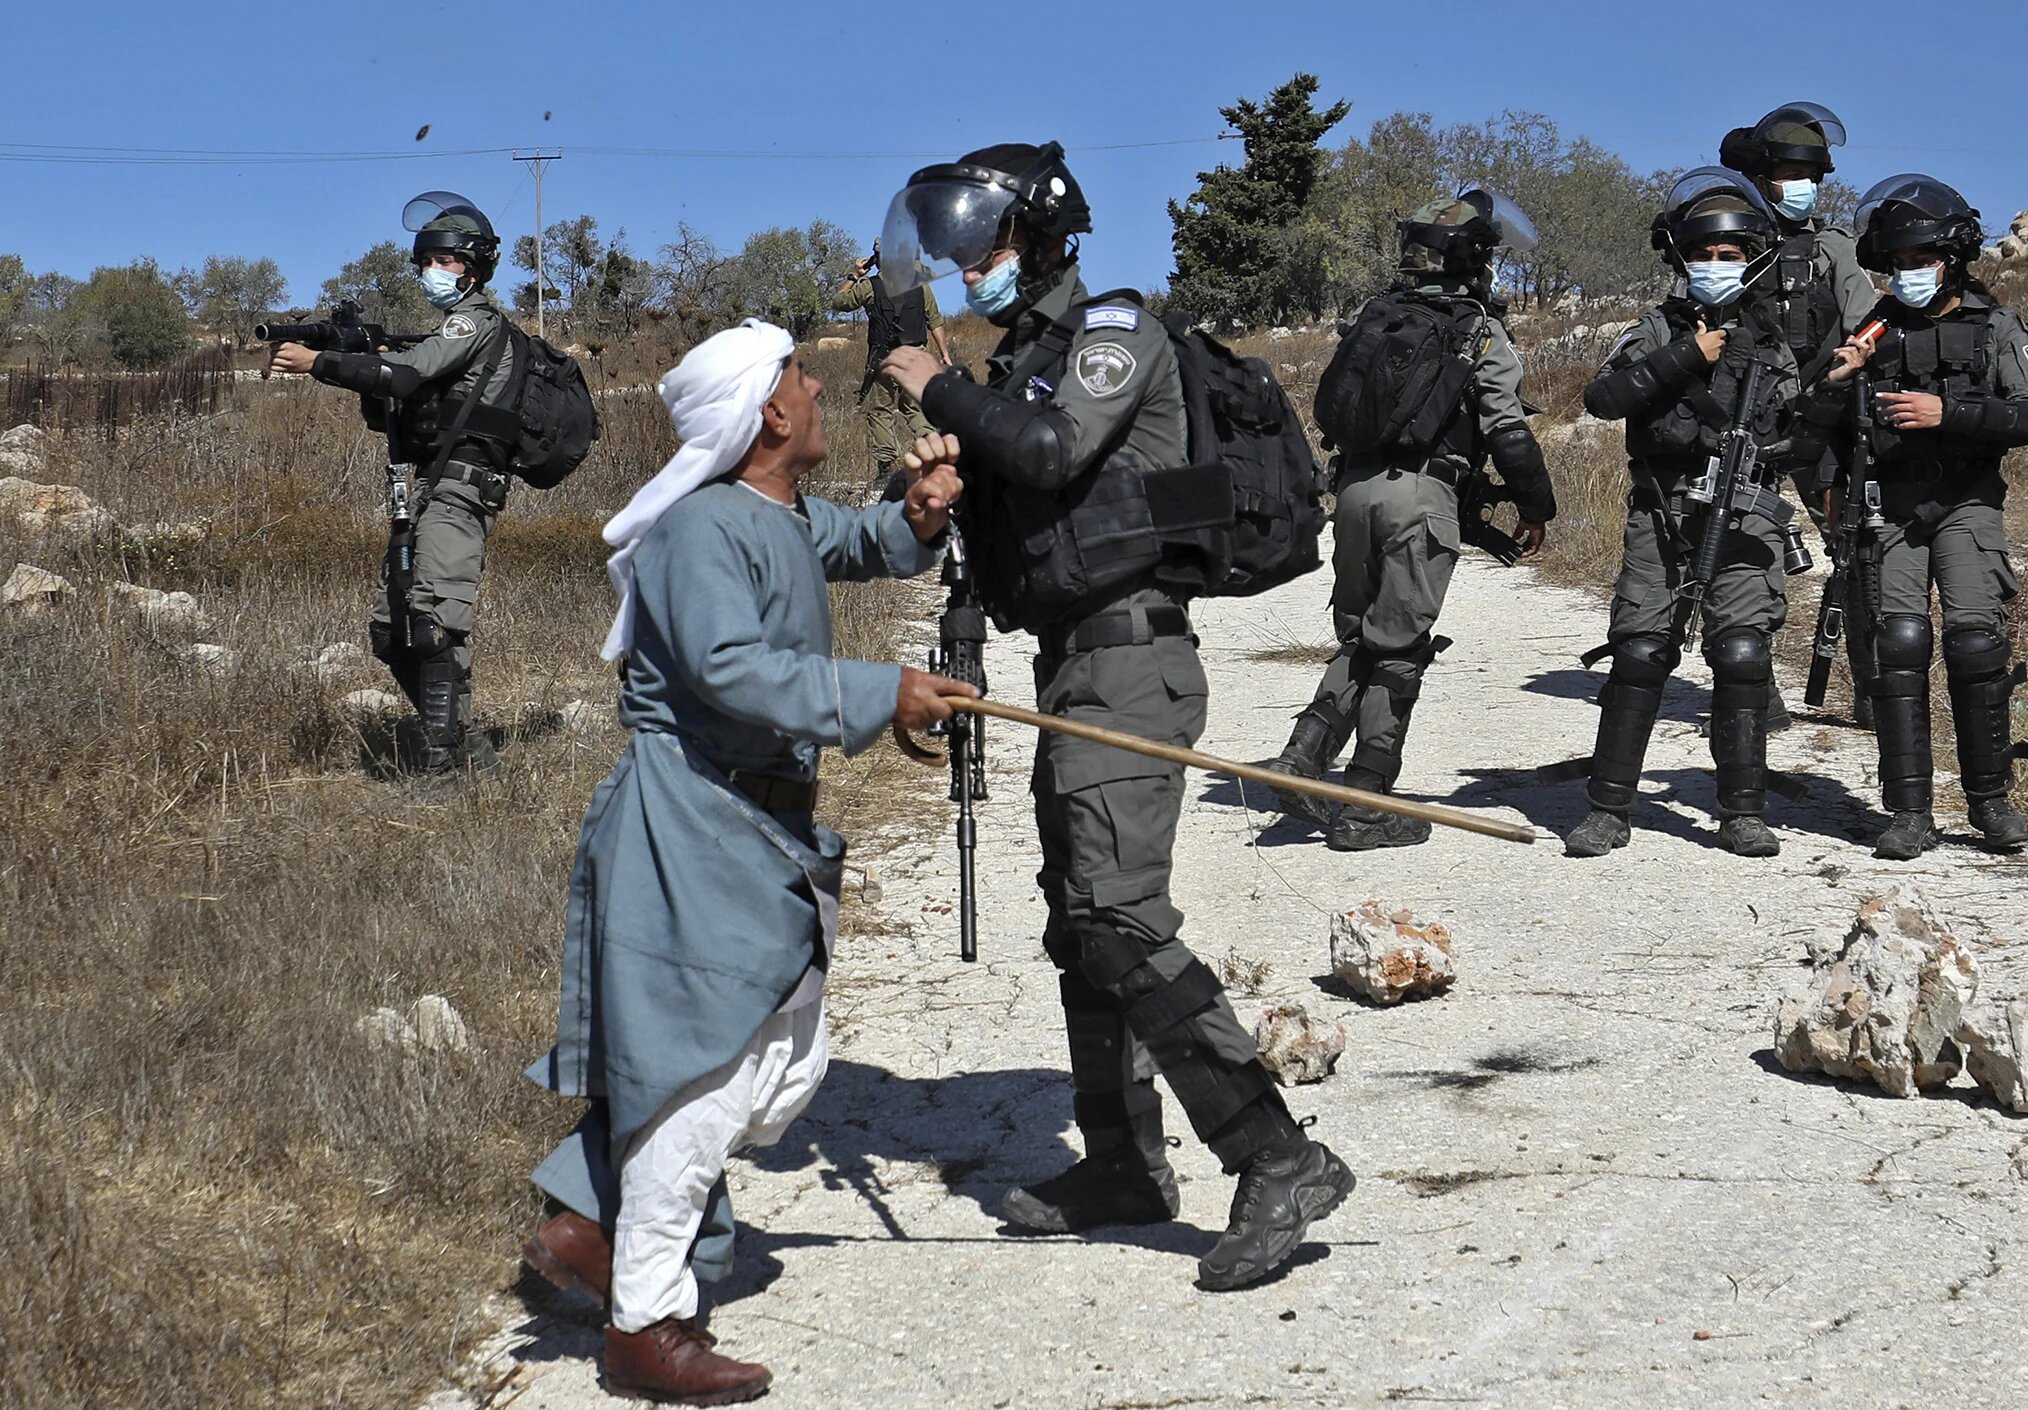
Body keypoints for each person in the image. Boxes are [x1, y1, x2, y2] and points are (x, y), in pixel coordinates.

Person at [874, 141, 1355, 1292]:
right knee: (1078, 922)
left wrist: (932, 383)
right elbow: (1003, 522)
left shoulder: (1112, 334)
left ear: (1042, 239)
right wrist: (942, 487)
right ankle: (1124, 1163)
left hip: (1132, 664)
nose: (964, 269)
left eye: (980, 247)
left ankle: (1277, 1155)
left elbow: (1052, 451)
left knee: (1122, 922)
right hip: (1066, 673)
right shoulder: (1018, 366)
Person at [518, 319, 975, 1404]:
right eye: (804, 378)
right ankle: (646, 1326)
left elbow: (858, 545)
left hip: (753, 826)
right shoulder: (696, 531)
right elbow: (729, 667)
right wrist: (878, 691)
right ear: (771, 412)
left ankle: (589, 1222)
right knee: (701, 1079)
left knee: (767, 1065)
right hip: (690, 824)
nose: (820, 389)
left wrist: (916, 517)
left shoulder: (770, 514)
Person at [1264, 191, 1556, 849]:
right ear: (1478, 259)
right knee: (1400, 650)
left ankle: (1303, 754)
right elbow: (1507, 432)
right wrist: (1537, 507)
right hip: (1419, 499)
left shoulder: (1378, 317)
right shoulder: (1478, 330)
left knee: (1363, 638)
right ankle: (1367, 802)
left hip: (1355, 493)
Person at [1803, 175, 2028, 859]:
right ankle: (1909, 811)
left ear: (1952, 257)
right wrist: (1837, 378)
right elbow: (1814, 425)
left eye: (1921, 261)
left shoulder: (1994, 325)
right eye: (1899, 265)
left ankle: (1990, 802)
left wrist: (1951, 414)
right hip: (1892, 508)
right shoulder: (1874, 329)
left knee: (1977, 646)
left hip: (1969, 504)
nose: (1909, 275)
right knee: (1900, 650)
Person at [1564, 168, 1811, 860]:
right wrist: (1686, 356)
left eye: (1730, 256)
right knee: (1641, 653)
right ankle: (1608, 809)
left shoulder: (1773, 342)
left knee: (1741, 654)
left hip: (1744, 519)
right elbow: (1604, 398)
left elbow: (1800, 432)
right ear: (1680, 257)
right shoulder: (1654, 328)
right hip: (1663, 513)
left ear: (1754, 258)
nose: (1716, 266)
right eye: (1704, 253)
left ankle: (1742, 813)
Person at [269, 191, 516, 771]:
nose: (432, 272)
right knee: (392, 629)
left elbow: (405, 377)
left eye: (445, 261)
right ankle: (464, 738)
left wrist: (320, 363)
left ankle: (440, 764)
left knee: (431, 624)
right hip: (423, 485)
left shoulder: (473, 322)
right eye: (425, 262)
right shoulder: (440, 336)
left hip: (462, 486)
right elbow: (392, 405)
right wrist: (361, 363)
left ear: (475, 268)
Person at [1720, 102, 1882, 726]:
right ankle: (1753, 685)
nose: (1806, 186)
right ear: (1761, 176)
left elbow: (1869, 317)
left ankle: (1874, 690)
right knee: (1742, 550)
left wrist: (1855, 353)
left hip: (1827, 422)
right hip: (1749, 424)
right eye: (1792, 171)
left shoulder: (1832, 248)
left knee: (1858, 551)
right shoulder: (1728, 241)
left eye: (1813, 174)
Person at [831, 244, 952, 485]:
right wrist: (944, 354)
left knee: (880, 412)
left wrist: (854, 275)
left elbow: (838, 302)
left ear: (877, 260)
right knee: (916, 408)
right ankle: (937, 457)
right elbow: (934, 320)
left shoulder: (869, 287)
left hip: (884, 359)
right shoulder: (920, 285)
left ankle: (885, 469)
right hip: (916, 357)